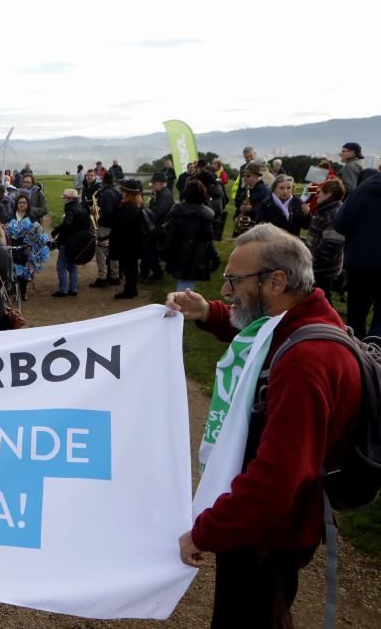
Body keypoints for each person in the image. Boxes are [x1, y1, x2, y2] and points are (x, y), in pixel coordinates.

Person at [167, 224, 360, 627]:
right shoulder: (299, 320)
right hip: (273, 526)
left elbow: (277, 479)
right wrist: (207, 314)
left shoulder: (304, 362)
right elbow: (254, 337)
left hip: (268, 534)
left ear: (276, 280)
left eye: (235, 280)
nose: (226, 291)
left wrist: (206, 531)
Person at [332, 170, 381, 338]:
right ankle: (375, 352)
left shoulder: (360, 191)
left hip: (358, 261)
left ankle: (354, 354)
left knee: (356, 316)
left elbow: (339, 224)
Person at [162, 179, 216, 293]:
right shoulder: (206, 214)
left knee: (185, 283)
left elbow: (167, 229)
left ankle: (181, 306)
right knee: (186, 285)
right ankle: (181, 308)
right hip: (195, 253)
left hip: (178, 250)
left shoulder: (176, 210)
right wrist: (214, 256)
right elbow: (208, 237)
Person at [305, 178, 346, 303]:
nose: (317, 196)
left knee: (321, 300)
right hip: (319, 267)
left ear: (328, 194)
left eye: (320, 192)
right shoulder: (326, 210)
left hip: (323, 271)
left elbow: (330, 247)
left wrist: (308, 258)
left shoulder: (333, 214)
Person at [108, 179, 147, 299]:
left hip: (127, 243)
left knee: (129, 267)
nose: (122, 193)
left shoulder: (128, 207)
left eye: (123, 191)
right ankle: (132, 289)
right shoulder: (137, 204)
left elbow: (123, 225)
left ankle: (129, 290)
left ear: (128, 193)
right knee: (132, 266)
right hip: (133, 242)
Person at [51, 188, 90, 297]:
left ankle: (63, 290)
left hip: (67, 242)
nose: (64, 200)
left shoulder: (70, 210)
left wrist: (56, 231)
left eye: (65, 198)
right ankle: (73, 289)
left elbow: (67, 224)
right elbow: (87, 225)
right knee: (72, 265)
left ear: (69, 199)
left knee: (61, 266)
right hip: (77, 242)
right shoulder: (82, 209)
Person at [6, 193, 42, 301]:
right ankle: (13, 291)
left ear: (28, 204)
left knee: (24, 270)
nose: (22, 204)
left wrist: (32, 245)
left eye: (24, 202)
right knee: (12, 269)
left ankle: (23, 292)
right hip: (12, 245)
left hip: (26, 247)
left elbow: (37, 231)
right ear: (16, 204)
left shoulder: (31, 216)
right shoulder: (11, 215)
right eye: (20, 202)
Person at [141, 172, 174, 282]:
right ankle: (155, 272)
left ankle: (150, 273)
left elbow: (157, 213)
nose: (152, 185)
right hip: (159, 227)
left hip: (160, 228)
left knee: (148, 250)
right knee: (150, 251)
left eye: (154, 183)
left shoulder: (165, 195)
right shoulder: (161, 193)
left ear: (160, 183)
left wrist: (145, 211)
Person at [89, 172, 121, 288]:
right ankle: (115, 276)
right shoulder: (117, 190)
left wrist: (98, 217)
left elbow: (107, 211)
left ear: (103, 180)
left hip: (105, 225)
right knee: (113, 251)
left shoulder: (107, 193)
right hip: (115, 225)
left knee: (101, 251)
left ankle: (102, 277)